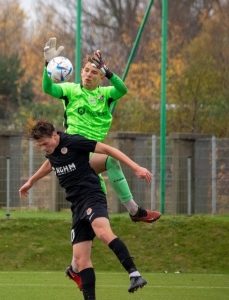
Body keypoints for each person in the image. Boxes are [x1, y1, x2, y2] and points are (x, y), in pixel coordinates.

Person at [42, 37, 161, 288]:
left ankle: (76, 266)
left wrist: (109, 72)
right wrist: (47, 64)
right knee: (110, 162)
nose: (87, 74)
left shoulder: (106, 94)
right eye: (85, 70)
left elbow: (122, 90)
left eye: (93, 72)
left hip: (89, 155)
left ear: (100, 77)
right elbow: (49, 89)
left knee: (97, 206)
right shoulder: (71, 90)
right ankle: (134, 211)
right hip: (76, 153)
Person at [19, 120, 151, 299]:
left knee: (103, 233)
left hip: (91, 195)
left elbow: (108, 150)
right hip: (76, 206)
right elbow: (50, 163)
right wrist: (31, 181)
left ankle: (134, 274)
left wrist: (136, 167)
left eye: (45, 143)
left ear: (55, 135)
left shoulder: (74, 142)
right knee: (81, 259)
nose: (43, 148)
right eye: (39, 145)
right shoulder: (52, 151)